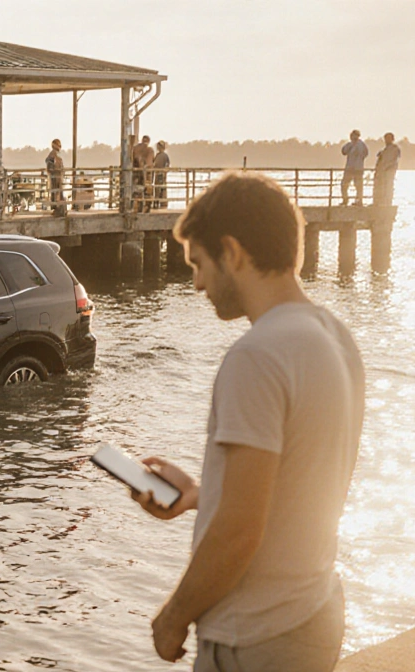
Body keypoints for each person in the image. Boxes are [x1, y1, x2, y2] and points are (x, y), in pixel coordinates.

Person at [133, 172, 363, 671]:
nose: (196, 283)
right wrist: (199, 494)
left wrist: (173, 617)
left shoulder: (257, 356)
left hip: (255, 637)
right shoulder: (332, 335)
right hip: (313, 609)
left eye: (198, 263)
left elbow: (240, 530)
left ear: (232, 252)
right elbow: (299, 486)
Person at [340, 130, 368, 206]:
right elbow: (343, 152)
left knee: (358, 186)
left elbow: (365, 154)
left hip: (358, 168)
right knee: (344, 185)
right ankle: (345, 199)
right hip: (349, 168)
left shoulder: (361, 145)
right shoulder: (349, 144)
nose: (353, 137)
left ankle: (359, 201)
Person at [373, 132, 401, 207]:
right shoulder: (384, 150)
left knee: (388, 187)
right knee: (381, 187)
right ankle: (379, 202)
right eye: (385, 139)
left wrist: (388, 167)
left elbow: (395, 160)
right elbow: (380, 161)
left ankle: (388, 202)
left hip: (390, 171)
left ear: (392, 139)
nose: (386, 140)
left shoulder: (395, 149)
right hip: (382, 172)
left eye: (388, 139)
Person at [132, 135, 155, 212]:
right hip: (145, 174)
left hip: (135, 174)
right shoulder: (149, 150)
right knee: (147, 191)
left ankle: (136, 205)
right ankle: (146, 207)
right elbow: (150, 162)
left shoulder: (135, 148)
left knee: (136, 191)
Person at [45, 139, 66, 216]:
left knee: (58, 193)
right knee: (56, 193)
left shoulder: (57, 155)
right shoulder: (52, 155)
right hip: (55, 177)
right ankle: (57, 209)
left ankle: (60, 209)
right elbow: (49, 165)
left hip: (58, 177)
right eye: (58, 145)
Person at [153, 140, 171, 210]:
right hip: (157, 174)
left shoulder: (165, 155)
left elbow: (167, 165)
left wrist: (164, 172)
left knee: (161, 189)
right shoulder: (157, 155)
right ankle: (156, 202)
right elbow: (154, 163)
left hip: (162, 174)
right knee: (157, 189)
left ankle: (162, 203)